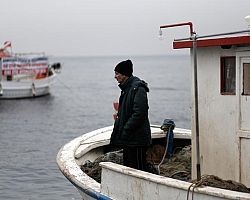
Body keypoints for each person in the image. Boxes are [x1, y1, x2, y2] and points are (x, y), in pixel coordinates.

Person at [110, 59, 152, 171]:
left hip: (137, 140)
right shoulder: (126, 88)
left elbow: (139, 113)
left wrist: (126, 129)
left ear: (125, 74)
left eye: (117, 73)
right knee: (129, 169)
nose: (115, 77)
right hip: (129, 139)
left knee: (138, 170)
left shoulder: (138, 88)